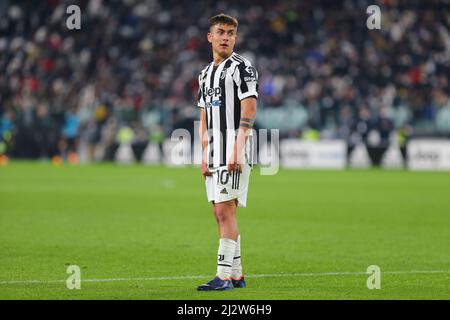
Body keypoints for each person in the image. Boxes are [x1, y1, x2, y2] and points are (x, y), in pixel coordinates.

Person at [196, 13, 258, 291]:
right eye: (220, 32)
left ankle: (223, 276)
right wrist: (204, 154)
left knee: (224, 210)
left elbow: (250, 109)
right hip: (215, 149)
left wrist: (237, 148)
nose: (225, 37)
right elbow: (204, 117)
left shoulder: (241, 68)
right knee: (220, 212)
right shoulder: (205, 73)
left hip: (235, 145)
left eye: (231, 33)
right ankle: (236, 274)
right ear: (210, 36)